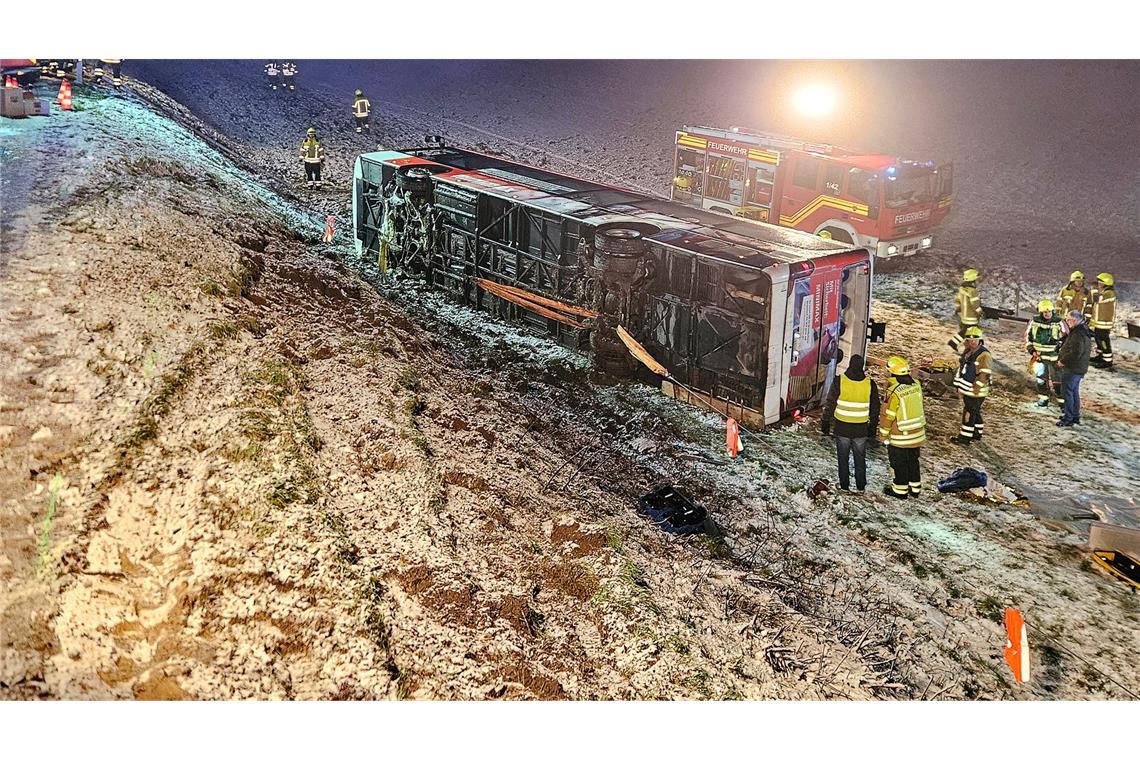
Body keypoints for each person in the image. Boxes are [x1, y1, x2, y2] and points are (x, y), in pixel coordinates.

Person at [820, 354, 880, 493]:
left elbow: (830, 403)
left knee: (843, 458)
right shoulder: (869, 384)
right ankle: (860, 486)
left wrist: (825, 421)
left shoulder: (840, 381)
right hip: (861, 429)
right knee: (860, 459)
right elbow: (875, 408)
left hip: (842, 428)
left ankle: (844, 485)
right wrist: (872, 427)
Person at [878, 356, 926, 499]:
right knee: (913, 460)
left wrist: (883, 435)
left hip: (900, 436)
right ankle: (915, 488)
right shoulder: (916, 385)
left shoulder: (893, 392)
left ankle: (900, 491)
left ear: (892, 373)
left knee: (899, 463)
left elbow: (888, 416)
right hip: (917, 434)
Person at [952, 326, 992, 444]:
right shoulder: (969, 351)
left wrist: (976, 388)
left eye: (975, 340)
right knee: (975, 410)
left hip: (976, 391)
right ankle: (976, 433)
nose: (972, 342)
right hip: (968, 389)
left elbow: (984, 374)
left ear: (980, 340)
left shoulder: (984, 355)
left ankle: (965, 437)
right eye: (969, 340)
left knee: (969, 412)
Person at [1024, 299, 1067, 406]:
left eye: (1049, 311)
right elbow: (1028, 337)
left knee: (1058, 382)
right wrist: (1032, 350)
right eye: (1045, 312)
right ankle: (1043, 400)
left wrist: (1062, 353)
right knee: (1041, 380)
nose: (1047, 314)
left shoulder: (1059, 322)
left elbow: (1067, 338)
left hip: (1055, 358)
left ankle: (1063, 403)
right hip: (1039, 358)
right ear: (1041, 312)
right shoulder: (1034, 321)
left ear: (1052, 311)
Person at [1057, 310, 1093, 426]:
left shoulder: (1078, 333)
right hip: (1078, 368)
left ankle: (1068, 419)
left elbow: (1076, 352)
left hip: (1073, 368)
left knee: (1067, 392)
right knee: (1073, 392)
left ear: (1075, 320)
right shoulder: (1082, 330)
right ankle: (1074, 416)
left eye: (1069, 320)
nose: (1067, 322)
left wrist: (1063, 361)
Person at [948, 268, 981, 353]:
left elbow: (957, 300)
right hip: (971, 317)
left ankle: (965, 347)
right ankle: (955, 344)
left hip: (964, 316)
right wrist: (980, 312)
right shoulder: (973, 291)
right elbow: (975, 304)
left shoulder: (961, 289)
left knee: (966, 331)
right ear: (973, 279)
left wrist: (958, 309)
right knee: (970, 332)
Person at [1088, 272, 1116, 369]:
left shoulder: (1109, 293)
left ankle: (1107, 361)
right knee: (1098, 340)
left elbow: (1097, 299)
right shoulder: (1104, 292)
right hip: (1099, 323)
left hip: (1104, 323)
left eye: (1100, 282)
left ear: (1106, 283)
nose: (1099, 284)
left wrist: (1094, 289)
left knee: (1104, 341)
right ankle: (1100, 356)